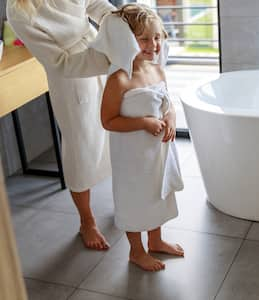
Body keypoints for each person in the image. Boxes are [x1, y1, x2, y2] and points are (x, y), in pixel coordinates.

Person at [6, 0, 117, 251]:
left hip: (99, 49)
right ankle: (86, 221)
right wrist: (105, 60)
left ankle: (123, 199)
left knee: (115, 133)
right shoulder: (18, 11)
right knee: (80, 146)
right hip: (72, 75)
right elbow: (58, 62)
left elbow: (97, 4)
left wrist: (121, 25)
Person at [101, 3, 184, 271]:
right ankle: (136, 251)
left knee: (156, 194)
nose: (153, 45)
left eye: (157, 37)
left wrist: (170, 117)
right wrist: (143, 122)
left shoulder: (156, 69)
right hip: (133, 157)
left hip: (157, 152)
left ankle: (156, 240)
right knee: (135, 199)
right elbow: (108, 120)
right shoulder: (120, 79)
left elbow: (167, 102)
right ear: (127, 40)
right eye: (144, 38)